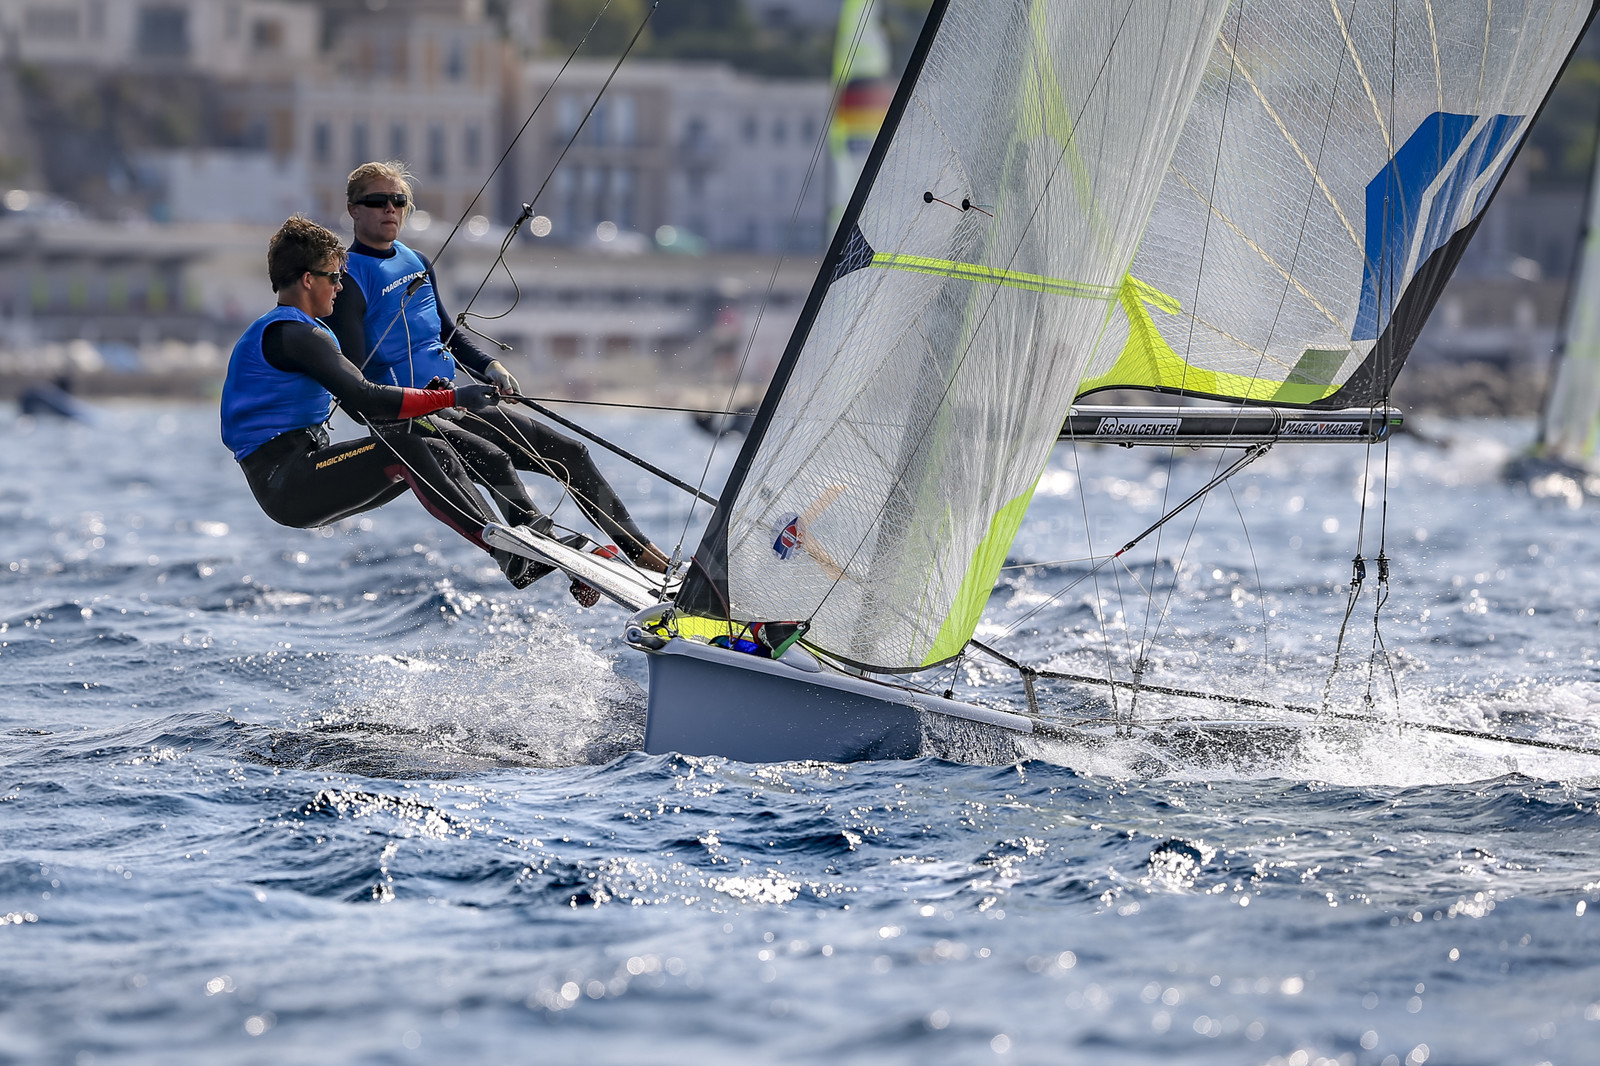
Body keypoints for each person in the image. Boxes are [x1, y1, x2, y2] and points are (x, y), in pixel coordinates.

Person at [326, 161, 671, 595]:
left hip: (460, 398)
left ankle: (643, 554)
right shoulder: (348, 280)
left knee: (572, 454)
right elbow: (355, 378)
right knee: (496, 460)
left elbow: (446, 333)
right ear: (354, 210)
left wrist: (490, 367)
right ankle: (564, 563)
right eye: (377, 201)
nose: (390, 209)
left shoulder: (416, 261)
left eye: (399, 201)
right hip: (413, 412)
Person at [220, 215, 554, 590]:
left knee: (439, 444)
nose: (340, 286)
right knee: (406, 446)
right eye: (334, 277)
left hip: (308, 465)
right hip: (286, 482)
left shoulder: (308, 332)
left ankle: (528, 529)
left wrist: (430, 399)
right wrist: (452, 396)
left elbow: (364, 401)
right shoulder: (292, 335)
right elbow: (365, 397)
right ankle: (508, 554)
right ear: (308, 279)